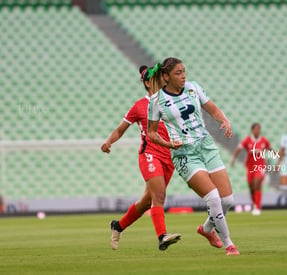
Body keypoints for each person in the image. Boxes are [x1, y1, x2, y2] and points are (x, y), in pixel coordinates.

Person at [147, 57, 240, 256]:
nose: (183, 76)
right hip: (184, 154)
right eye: (178, 73)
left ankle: (206, 229)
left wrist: (224, 120)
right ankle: (229, 245)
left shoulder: (193, 88)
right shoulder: (156, 101)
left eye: (184, 72)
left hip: (206, 146)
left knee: (228, 200)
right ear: (166, 76)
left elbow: (213, 109)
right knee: (213, 198)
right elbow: (152, 133)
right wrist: (168, 143)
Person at [101, 64, 181, 251]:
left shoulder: (170, 101)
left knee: (146, 201)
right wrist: (109, 142)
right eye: (157, 76)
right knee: (159, 196)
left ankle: (118, 226)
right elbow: (121, 129)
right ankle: (162, 236)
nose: (162, 78)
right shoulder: (139, 106)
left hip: (169, 157)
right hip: (149, 155)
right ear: (147, 82)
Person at [231, 123, 271, 216]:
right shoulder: (248, 140)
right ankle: (255, 204)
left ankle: (257, 206)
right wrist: (233, 159)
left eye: (258, 129)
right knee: (251, 187)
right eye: (255, 129)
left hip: (260, 166)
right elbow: (239, 148)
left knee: (257, 183)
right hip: (250, 167)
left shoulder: (264, 140)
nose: (257, 131)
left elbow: (269, 149)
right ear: (252, 130)